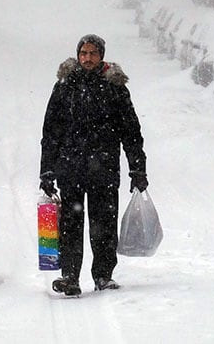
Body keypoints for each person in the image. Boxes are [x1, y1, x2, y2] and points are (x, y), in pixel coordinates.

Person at [39, 33, 148, 296]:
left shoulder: (115, 87)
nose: (87, 58)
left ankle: (103, 275)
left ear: (101, 56)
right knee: (70, 225)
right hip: (70, 167)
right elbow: (51, 131)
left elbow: (131, 131)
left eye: (93, 53)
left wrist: (138, 168)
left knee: (104, 224)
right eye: (83, 53)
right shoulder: (65, 86)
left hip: (105, 170)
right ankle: (70, 276)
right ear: (78, 56)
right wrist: (47, 170)